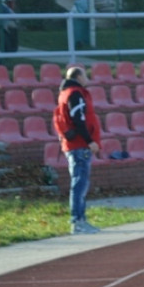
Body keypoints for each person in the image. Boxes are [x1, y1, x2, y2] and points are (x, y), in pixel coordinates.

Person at [52, 65, 102, 234]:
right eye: (85, 75)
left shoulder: (65, 93)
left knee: (79, 182)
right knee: (80, 184)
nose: (87, 78)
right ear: (79, 77)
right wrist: (90, 141)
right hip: (79, 145)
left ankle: (80, 220)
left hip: (73, 145)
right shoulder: (75, 93)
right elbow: (79, 120)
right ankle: (78, 221)